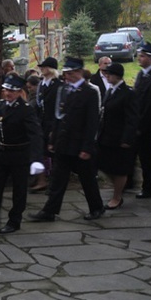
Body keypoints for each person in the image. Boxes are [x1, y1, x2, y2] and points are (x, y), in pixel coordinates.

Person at [29, 57, 104, 222]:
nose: (67, 77)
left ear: (79, 72)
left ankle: (96, 207)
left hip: (79, 144)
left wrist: (87, 147)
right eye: (65, 74)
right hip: (64, 143)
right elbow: (58, 117)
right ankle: (49, 211)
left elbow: (92, 123)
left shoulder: (90, 91)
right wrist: (52, 139)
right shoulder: (64, 90)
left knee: (87, 179)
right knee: (57, 179)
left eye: (70, 73)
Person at [0, 75, 44, 235]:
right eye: (6, 89)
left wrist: (36, 159)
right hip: (3, 153)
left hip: (19, 155)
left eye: (12, 90)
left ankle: (14, 221)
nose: (8, 93)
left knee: (19, 191)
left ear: (19, 92)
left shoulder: (26, 110)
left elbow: (35, 134)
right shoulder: (2, 106)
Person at [97, 62, 138, 210]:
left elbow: (132, 118)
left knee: (119, 169)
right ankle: (119, 188)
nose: (107, 76)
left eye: (109, 74)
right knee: (103, 164)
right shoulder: (110, 91)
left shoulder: (128, 94)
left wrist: (127, 139)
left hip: (119, 138)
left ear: (116, 76)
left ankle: (117, 197)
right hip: (106, 136)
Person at [131, 43, 151, 198]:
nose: (140, 58)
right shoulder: (141, 75)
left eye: (143, 56)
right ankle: (133, 183)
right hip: (137, 123)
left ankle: (149, 188)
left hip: (148, 126)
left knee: (148, 158)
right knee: (138, 156)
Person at [32, 57, 62, 193]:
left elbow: (58, 108)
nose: (41, 69)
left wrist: (54, 129)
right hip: (42, 123)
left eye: (44, 67)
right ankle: (41, 180)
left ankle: (55, 184)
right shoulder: (41, 84)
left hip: (53, 124)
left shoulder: (58, 85)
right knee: (40, 152)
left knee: (54, 155)